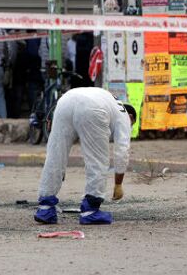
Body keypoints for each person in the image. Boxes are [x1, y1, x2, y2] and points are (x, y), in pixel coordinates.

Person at [35, 87, 136, 225]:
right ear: (131, 117)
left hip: (65, 100)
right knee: (97, 159)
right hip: (93, 108)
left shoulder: (111, 101)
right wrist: (118, 184)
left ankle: (45, 207)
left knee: (55, 154)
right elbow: (122, 150)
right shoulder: (125, 116)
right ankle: (90, 210)